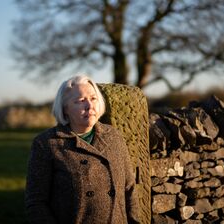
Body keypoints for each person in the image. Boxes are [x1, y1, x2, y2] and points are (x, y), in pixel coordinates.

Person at [25, 75, 140, 224]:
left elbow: (129, 188)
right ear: (65, 109)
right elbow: (36, 202)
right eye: (80, 101)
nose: (89, 106)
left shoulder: (114, 136)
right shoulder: (47, 143)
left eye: (93, 99)